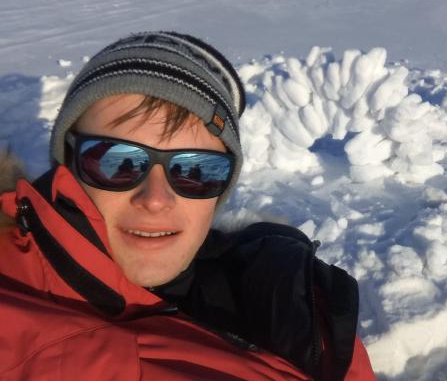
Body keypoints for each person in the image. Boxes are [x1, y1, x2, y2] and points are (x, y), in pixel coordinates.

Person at [0, 31, 375, 380]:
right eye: (117, 161)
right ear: (68, 167)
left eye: (195, 170)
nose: (155, 198)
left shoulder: (301, 304)